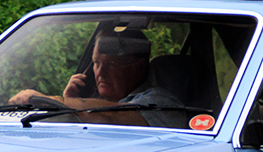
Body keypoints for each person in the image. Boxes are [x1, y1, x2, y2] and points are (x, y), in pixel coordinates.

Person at [10, 27, 186, 126]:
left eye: (110, 64)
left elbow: (111, 116)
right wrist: (70, 101)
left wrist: (58, 102)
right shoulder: (94, 101)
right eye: (96, 63)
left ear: (139, 67)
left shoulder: (161, 102)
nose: (100, 72)